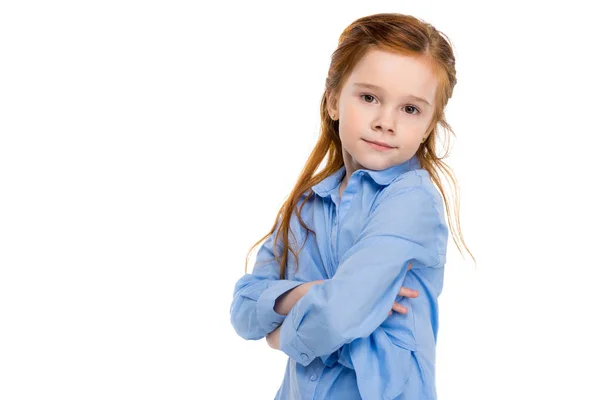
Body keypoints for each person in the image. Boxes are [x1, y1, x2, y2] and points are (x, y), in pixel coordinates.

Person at [230, 12, 474, 400]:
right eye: (369, 97)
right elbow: (243, 308)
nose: (385, 122)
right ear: (333, 102)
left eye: (410, 109)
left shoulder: (411, 201)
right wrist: (306, 291)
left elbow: (336, 315)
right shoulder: (307, 204)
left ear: (428, 125)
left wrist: (277, 336)